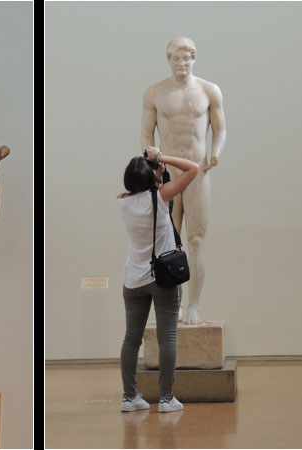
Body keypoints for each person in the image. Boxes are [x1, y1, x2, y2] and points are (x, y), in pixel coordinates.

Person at [141, 37, 226, 324]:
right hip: (167, 174)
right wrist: (152, 162)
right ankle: (174, 304)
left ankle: (194, 305)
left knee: (196, 240)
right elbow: (146, 133)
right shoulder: (155, 92)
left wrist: (215, 153)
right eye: (176, 59)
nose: (181, 63)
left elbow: (220, 129)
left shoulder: (208, 90)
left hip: (198, 173)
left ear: (193, 59)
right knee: (168, 241)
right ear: (169, 60)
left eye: (186, 58)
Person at [116, 146, 199, 413]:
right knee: (167, 338)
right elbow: (193, 169)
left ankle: (130, 398)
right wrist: (160, 158)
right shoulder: (161, 197)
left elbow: (142, 193)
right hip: (162, 278)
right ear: (152, 178)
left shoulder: (123, 201)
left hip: (133, 280)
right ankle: (166, 399)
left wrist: (154, 175)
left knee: (131, 339)